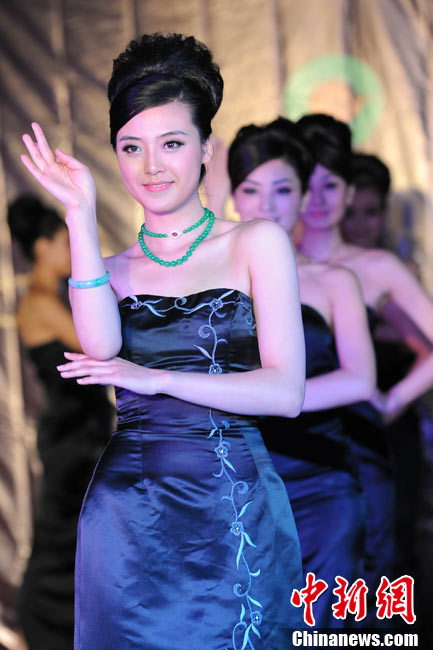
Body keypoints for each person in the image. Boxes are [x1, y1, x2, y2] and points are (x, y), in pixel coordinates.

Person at [20, 33, 306, 649]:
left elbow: (286, 393)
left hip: (232, 503)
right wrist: (79, 214)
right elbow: (101, 349)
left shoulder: (255, 243)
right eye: (132, 147)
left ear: (206, 149)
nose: (151, 166)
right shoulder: (109, 269)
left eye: (172, 143)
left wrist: (158, 378)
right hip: (128, 514)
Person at [227, 118, 375, 627]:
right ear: (232, 197)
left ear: (303, 196)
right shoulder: (212, 288)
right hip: (240, 485)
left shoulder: (333, 281)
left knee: (325, 627)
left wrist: (274, 394)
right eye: (251, 189)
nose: (267, 205)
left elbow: (360, 379)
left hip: (320, 480)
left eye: (283, 189)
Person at [297, 113, 433, 626]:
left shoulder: (377, 267)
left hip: (360, 450)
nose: (318, 199)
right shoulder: (269, 260)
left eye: (331, 185)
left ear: (349, 191)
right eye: (307, 184)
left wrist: (391, 401)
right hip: (290, 449)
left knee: (367, 588)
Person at [6, 194, 113, 650]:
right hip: (71, 437)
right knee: (65, 534)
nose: (73, 251)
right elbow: (96, 344)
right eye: (66, 242)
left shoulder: (52, 297)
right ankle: (43, 621)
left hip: (84, 432)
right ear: (42, 247)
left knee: (84, 536)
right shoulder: (38, 302)